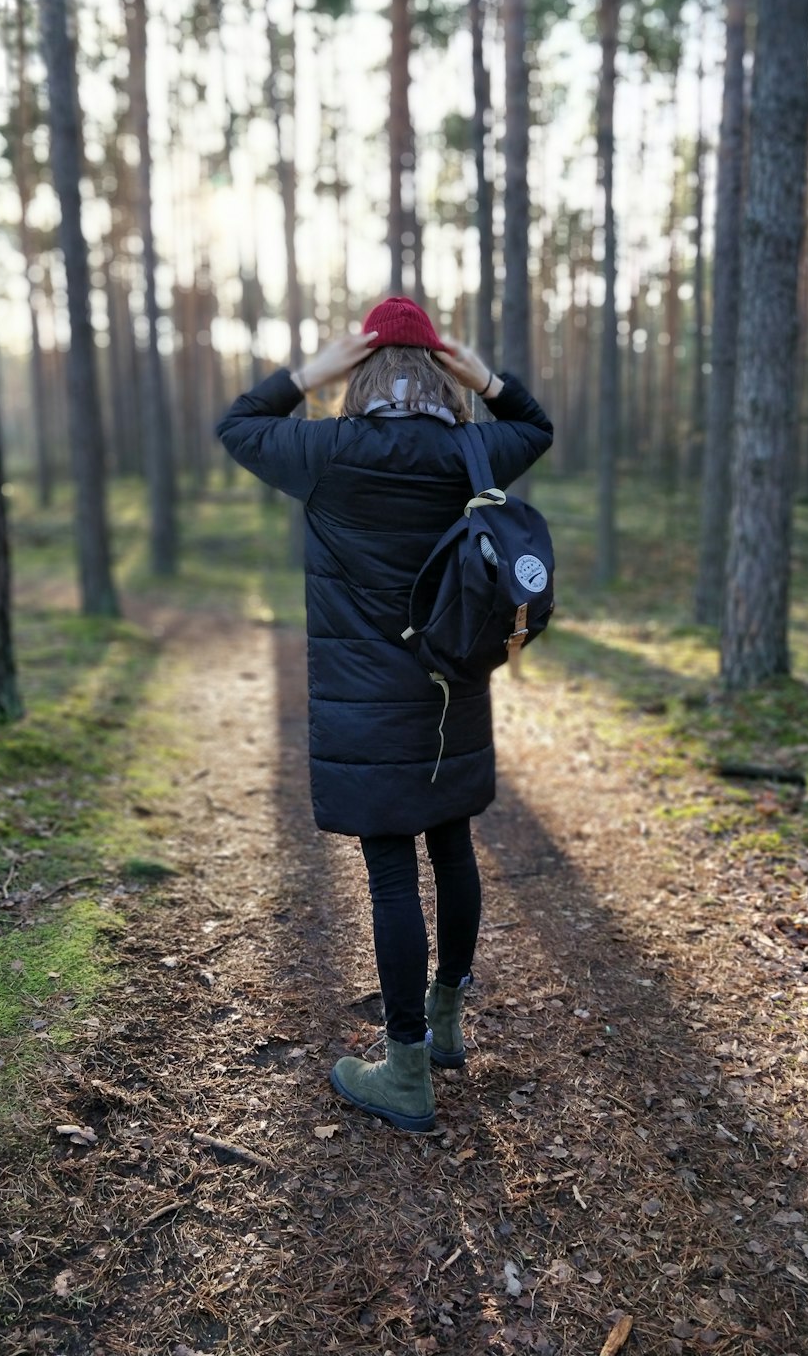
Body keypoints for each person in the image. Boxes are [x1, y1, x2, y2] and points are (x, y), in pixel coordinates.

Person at [216, 295, 553, 1131]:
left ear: (357, 372)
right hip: (452, 694)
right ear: (441, 371)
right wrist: (481, 375)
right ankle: (445, 1025)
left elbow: (238, 423)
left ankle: (405, 1075)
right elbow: (535, 424)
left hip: (366, 710)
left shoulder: (324, 452)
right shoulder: (476, 449)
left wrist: (308, 373)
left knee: (392, 873)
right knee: (454, 846)